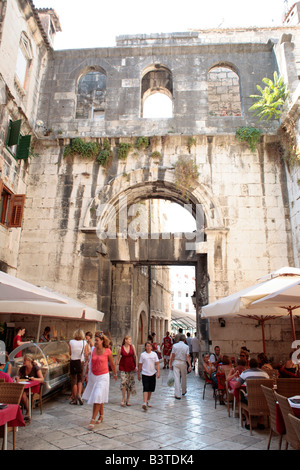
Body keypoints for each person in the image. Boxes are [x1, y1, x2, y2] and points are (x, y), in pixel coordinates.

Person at [83, 332, 117, 429]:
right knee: (99, 395)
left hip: (103, 376)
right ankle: (101, 415)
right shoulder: (93, 350)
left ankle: (92, 419)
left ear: (102, 341)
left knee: (97, 395)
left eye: (97, 340)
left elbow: (112, 364)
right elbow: (89, 363)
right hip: (94, 376)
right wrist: (86, 373)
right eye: (95, 340)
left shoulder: (107, 351)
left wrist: (115, 373)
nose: (95, 342)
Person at [234, 357, 269, 430]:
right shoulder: (265, 374)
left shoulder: (245, 373)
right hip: (263, 399)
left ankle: (248, 420)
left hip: (250, 399)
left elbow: (236, 385)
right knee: (261, 398)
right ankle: (261, 421)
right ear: (258, 365)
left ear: (249, 365)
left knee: (241, 397)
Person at [18, 354, 44, 421]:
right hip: (25, 387)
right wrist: (17, 377)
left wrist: (34, 379)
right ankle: (25, 411)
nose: (23, 362)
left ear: (30, 361)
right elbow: (19, 376)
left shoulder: (35, 368)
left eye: (25, 360)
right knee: (20, 393)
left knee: (22, 393)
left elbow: (42, 379)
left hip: (34, 387)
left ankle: (27, 412)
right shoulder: (22, 368)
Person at [138, 341, 160, 411]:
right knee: (145, 388)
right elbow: (140, 364)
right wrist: (139, 373)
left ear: (151, 347)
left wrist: (158, 372)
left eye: (149, 346)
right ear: (145, 347)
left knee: (150, 389)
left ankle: (148, 400)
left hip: (152, 373)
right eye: (147, 346)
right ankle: (144, 402)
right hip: (145, 373)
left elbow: (157, 364)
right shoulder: (142, 355)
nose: (148, 347)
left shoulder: (154, 354)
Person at [69, 329, 89, 405]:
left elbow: (70, 353)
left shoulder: (71, 342)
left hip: (73, 361)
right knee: (80, 379)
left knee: (74, 380)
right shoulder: (84, 343)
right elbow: (86, 354)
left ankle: (74, 399)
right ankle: (79, 395)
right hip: (81, 361)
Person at [116, 335, 137, 407]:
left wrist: (136, 365)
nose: (130, 341)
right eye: (129, 340)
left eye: (130, 340)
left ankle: (128, 400)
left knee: (129, 384)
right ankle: (123, 399)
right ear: (125, 340)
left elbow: (135, 356)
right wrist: (115, 367)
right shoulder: (120, 348)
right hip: (123, 367)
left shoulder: (132, 347)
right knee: (123, 382)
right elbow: (118, 358)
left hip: (131, 367)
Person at [169, 334, 192, 399]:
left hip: (176, 362)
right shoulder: (186, 347)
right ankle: (183, 391)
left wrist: (170, 364)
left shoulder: (174, 346)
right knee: (184, 377)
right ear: (184, 340)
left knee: (177, 378)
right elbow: (187, 356)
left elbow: (172, 356)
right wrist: (190, 365)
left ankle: (177, 394)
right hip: (183, 362)